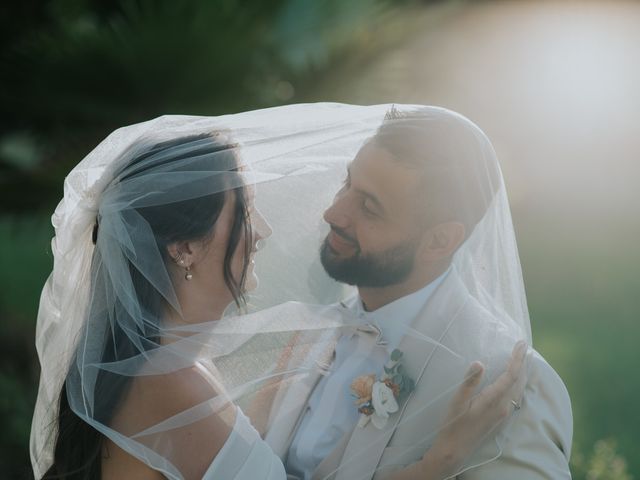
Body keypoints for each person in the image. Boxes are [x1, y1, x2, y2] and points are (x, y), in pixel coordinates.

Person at [30, 106, 528, 480]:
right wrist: (437, 464)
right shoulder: (171, 386)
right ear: (184, 247)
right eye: (244, 213)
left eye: (369, 204)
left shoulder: (162, 371)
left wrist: (253, 420)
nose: (262, 229)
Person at [270, 106, 573, 480]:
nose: (334, 213)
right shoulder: (310, 334)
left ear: (440, 241)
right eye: (348, 184)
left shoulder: (505, 382)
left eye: (368, 207)